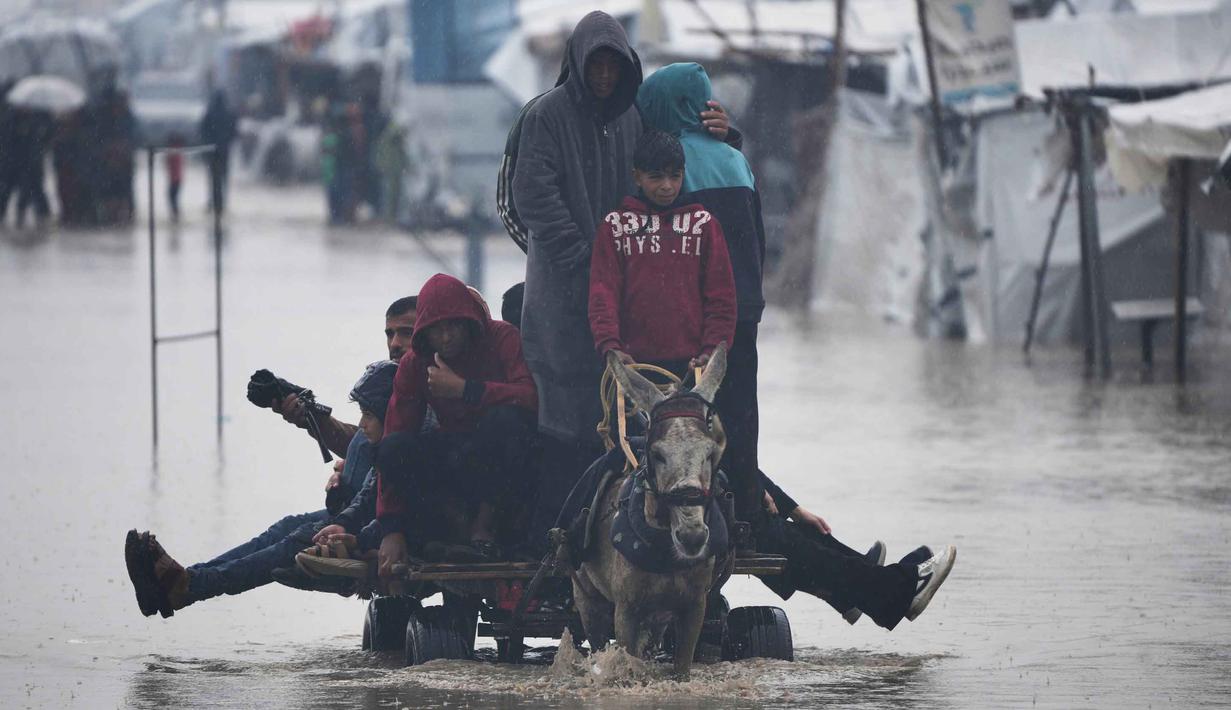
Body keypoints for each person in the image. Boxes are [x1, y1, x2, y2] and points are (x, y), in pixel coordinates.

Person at [511, 12, 739, 553]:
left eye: (615, 66)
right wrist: (587, 257)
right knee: (565, 435)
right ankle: (557, 553)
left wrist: (729, 135)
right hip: (560, 304)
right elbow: (532, 195)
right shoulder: (546, 116)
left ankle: (630, 550)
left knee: (631, 443)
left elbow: (674, 159)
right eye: (598, 66)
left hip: (627, 314)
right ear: (578, 64)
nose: (606, 77)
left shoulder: (634, 120)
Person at [121, 296, 420, 617]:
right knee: (283, 529)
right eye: (389, 334)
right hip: (356, 509)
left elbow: (396, 466)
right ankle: (186, 580)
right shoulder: (395, 387)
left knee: (294, 539)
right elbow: (364, 439)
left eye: (406, 333)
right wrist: (311, 417)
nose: (394, 343)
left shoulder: (427, 393)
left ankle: (188, 586)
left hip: (376, 520)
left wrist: (360, 531)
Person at [378, 273, 538, 572]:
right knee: (393, 449)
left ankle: (485, 525)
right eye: (437, 330)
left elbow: (530, 398)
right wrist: (391, 529)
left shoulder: (502, 338)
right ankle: (454, 526)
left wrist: (466, 389)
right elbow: (397, 430)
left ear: (469, 322)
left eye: (453, 326)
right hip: (456, 456)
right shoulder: (416, 363)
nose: (447, 337)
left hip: (503, 461)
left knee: (506, 420)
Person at [588, 129, 736, 376]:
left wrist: (711, 352)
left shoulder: (705, 225)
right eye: (655, 177)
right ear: (637, 177)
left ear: (683, 175)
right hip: (631, 364)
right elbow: (603, 294)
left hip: (693, 367)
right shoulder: (615, 226)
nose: (667, 186)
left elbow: (722, 297)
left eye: (674, 176)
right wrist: (610, 346)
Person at [199, 90, 237, 215]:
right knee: (223, 177)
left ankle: (214, 202)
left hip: (213, 151)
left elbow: (203, 131)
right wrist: (226, 142)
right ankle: (221, 203)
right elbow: (234, 132)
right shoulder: (228, 113)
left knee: (213, 178)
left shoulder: (210, 113)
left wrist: (210, 143)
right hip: (224, 151)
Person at [165, 133, 186, 222]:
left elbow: (170, 164)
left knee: (172, 198)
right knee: (173, 198)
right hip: (176, 179)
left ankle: (175, 215)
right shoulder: (178, 152)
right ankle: (175, 215)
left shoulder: (175, 152)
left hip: (175, 179)